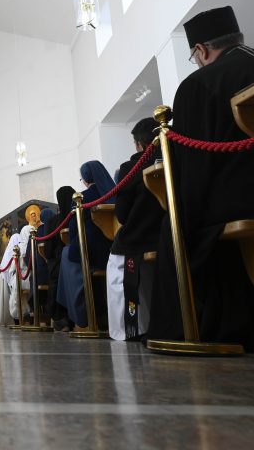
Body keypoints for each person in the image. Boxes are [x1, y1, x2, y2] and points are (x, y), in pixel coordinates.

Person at [148, 6, 254, 351]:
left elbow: (195, 167)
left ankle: (194, 329)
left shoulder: (199, 83)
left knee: (174, 224)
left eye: (195, 56)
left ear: (201, 51)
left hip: (245, 199)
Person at [106, 118, 163, 341]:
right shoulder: (174, 157)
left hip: (142, 236)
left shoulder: (131, 168)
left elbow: (122, 214)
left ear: (139, 144)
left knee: (116, 265)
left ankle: (129, 328)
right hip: (169, 232)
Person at [57, 160, 115, 328]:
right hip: (113, 250)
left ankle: (79, 317)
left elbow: (74, 231)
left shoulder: (82, 198)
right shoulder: (113, 191)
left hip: (91, 251)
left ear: (85, 179)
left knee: (67, 254)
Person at [42, 187, 75, 331]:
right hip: (76, 261)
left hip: (56, 264)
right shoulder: (76, 216)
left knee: (55, 280)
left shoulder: (52, 221)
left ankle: (60, 319)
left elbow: (48, 250)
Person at [0, 234, 20, 327]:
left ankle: (17, 318)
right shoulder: (13, 251)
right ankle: (15, 318)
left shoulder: (10, 251)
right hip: (10, 279)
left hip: (11, 278)